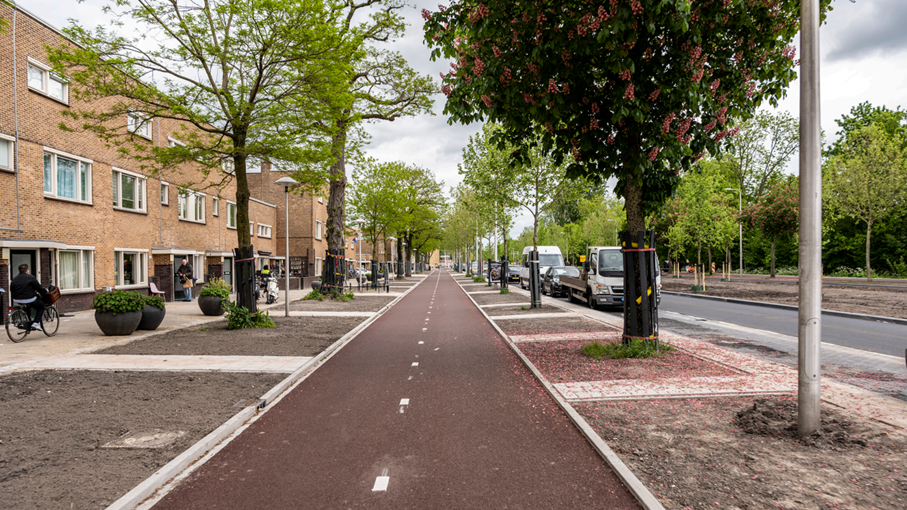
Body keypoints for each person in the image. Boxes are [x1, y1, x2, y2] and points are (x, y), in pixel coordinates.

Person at [10, 264, 48, 331]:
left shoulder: (14, 279)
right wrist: (45, 291)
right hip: (29, 298)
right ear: (27, 271)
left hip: (17, 299)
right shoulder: (31, 277)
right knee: (41, 306)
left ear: (19, 271)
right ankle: (36, 323)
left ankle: (27, 321)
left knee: (27, 307)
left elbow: (11, 290)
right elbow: (39, 288)